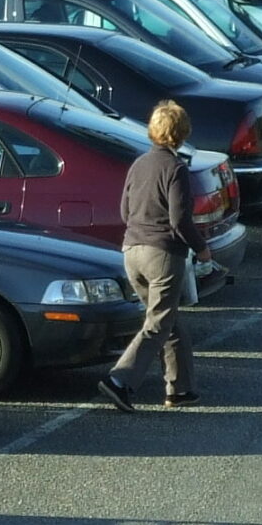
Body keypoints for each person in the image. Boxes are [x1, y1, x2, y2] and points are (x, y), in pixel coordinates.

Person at [98, 100, 211, 412]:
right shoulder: (176, 168)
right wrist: (201, 248)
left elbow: (124, 210)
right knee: (159, 323)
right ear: (181, 133)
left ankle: (181, 389)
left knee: (168, 320)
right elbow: (179, 220)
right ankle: (119, 380)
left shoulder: (139, 164)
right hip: (161, 254)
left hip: (131, 250)